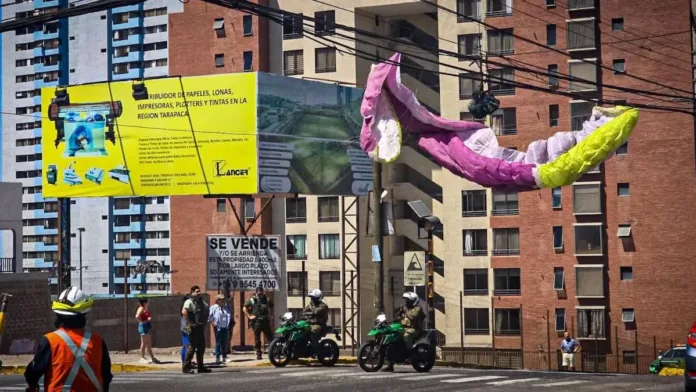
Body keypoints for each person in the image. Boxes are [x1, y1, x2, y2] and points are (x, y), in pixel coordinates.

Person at [24, 286, 113, 392]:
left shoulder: (50, 341)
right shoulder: (97, 341)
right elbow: (106, 375)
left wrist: (32, 385)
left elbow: (33, 372)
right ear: (84, 314)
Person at [382, 292, 425, 372]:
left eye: (408, 300)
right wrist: (392, 320)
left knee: (406, 336)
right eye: (405, 300)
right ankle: (390, 365)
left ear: (413, 301)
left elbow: (412, 316)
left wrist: (405, 311)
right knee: (393, 337)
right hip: (403, 328)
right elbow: (397, 316)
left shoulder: (418, 308)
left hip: (414, 329)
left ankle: (409, 353)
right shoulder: (404, 307)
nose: (406, 301)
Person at [182, 285, 211, 374]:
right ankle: (186, 367)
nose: (198, 293)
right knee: (192, 347)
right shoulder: (189, 302)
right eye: (196, 291)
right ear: (192, 292)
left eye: (199, 291)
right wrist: (190, 323)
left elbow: (207, 310)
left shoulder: (202, 302)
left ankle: (200, 367)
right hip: (193, 328)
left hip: (200, 327)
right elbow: (184, 312)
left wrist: (205, 322)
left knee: (201, 347)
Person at [244, 286, 274, 360]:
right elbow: (244, 308)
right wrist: (249, 316)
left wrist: (271, 315)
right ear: (256, 293)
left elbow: (272, 306)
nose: (260, 295)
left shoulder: (266, 299)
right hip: (257, 322)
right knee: (257, 340)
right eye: (259, 294)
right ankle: (258, 353)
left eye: (261, 294)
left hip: (265, 322)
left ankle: (273, 352)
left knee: (270, 338)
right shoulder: (252, 300)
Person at [303, 289, 329, 355]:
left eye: (314, 298)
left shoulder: (323, 306)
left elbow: (316, 311)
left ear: (318, 298)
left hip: (319, 325)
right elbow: (304, 312)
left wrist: (310, 312)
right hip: (309, 323)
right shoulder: (310, 305)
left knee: (313, 331)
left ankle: (316, 349)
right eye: (311, 298)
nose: (312, 299)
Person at [209, 294, 232, 364]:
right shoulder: (213, 307)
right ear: (217, 300)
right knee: (218, 342)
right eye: (221, 299)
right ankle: (217, 357)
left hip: (225, 326)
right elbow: (209, 316)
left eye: (223, 299)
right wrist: (213, 323)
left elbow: (228, 315)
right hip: (218, 327)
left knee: (224, 342)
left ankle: (224, 357)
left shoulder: (226, 307)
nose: (222, 300)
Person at [135, 298, 159, 364]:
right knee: (144, 343)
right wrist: (142, 321)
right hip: (143, 326)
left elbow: (145, 316)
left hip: (146, 326)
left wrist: (147, 319)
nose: (148, 302)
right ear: (144, 302)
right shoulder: (141, 308)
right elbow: (137, 316)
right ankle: (142, 358)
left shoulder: (145, 308)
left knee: (148, 343)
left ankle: (152, 358)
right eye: (147, 301)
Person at [180, 294, 190, 366]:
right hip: (187, 327)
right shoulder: (185, 308)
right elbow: (185, 316)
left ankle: (185, 361)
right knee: (187, 345)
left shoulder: (182, 307)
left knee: (186, 345)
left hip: (184, 326)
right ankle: (185, 361)